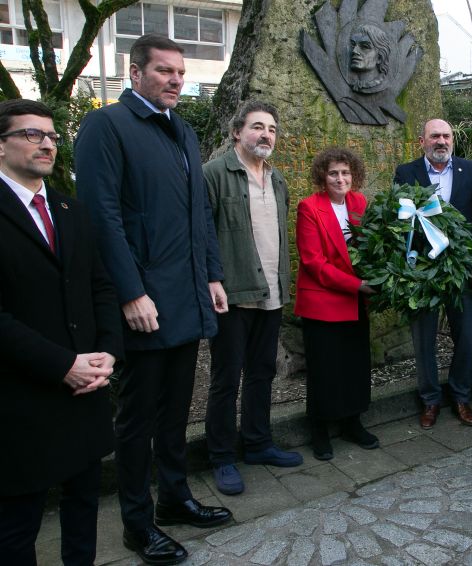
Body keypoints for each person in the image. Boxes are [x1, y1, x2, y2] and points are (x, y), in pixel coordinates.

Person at [74, 34, 232, 564]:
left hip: (188, 298)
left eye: (180, 73)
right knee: (137, 422)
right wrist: (131, 292)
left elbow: (198, 217)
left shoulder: (183, 131)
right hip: (144, 305)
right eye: (164, 71)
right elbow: (101, 218)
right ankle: (137, 526)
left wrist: (212, 274)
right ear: (134, 72)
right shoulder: (106, 126)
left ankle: (176, 499)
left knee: (174, 414)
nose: (175, 80)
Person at [0, 100, 122, 565]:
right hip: (21, 397)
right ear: (1, 144)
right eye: (32, 135)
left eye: (51, 136)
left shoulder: (71, 208)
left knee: (84, 507)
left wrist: (109, 352)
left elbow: (101, 286)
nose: (47, 143)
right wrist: (63, 365)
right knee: (18, 525)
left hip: (86, 390)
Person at [203, 100, 303, 497]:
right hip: (232, 295)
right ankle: (221, 456)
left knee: (262, 373)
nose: (266, 135)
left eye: (272, 129)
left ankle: (258, 443)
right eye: (257, 127)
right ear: (236, 132)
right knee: (226, 379)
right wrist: (212, 280)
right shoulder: (214, 174)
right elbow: (202, 234)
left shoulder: (276, 179)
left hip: (272, 294)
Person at [394, 118, 472, 429]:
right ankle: (430, 400)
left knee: (464, 336)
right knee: (423, 339)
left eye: (446, 136)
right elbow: (399, 224)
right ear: (422, 141)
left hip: (461, 270)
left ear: (452, 140)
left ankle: (461, 396)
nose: (441, 141)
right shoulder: (406, 173)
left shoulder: (469, 170)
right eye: (435, 136)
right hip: (422, 271)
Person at [294, 147, 378, 461]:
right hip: (325, 303)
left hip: (356, 301)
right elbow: (314, 264)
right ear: (322, 176)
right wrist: (358, 285)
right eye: (333, 173)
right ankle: (319, 429)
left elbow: (369, 247)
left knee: (355, 366)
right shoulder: (309, 208)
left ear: (353, 174)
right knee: (325, 370)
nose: (340, 179)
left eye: (345, 172)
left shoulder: (359, 202)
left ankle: (352, 422)